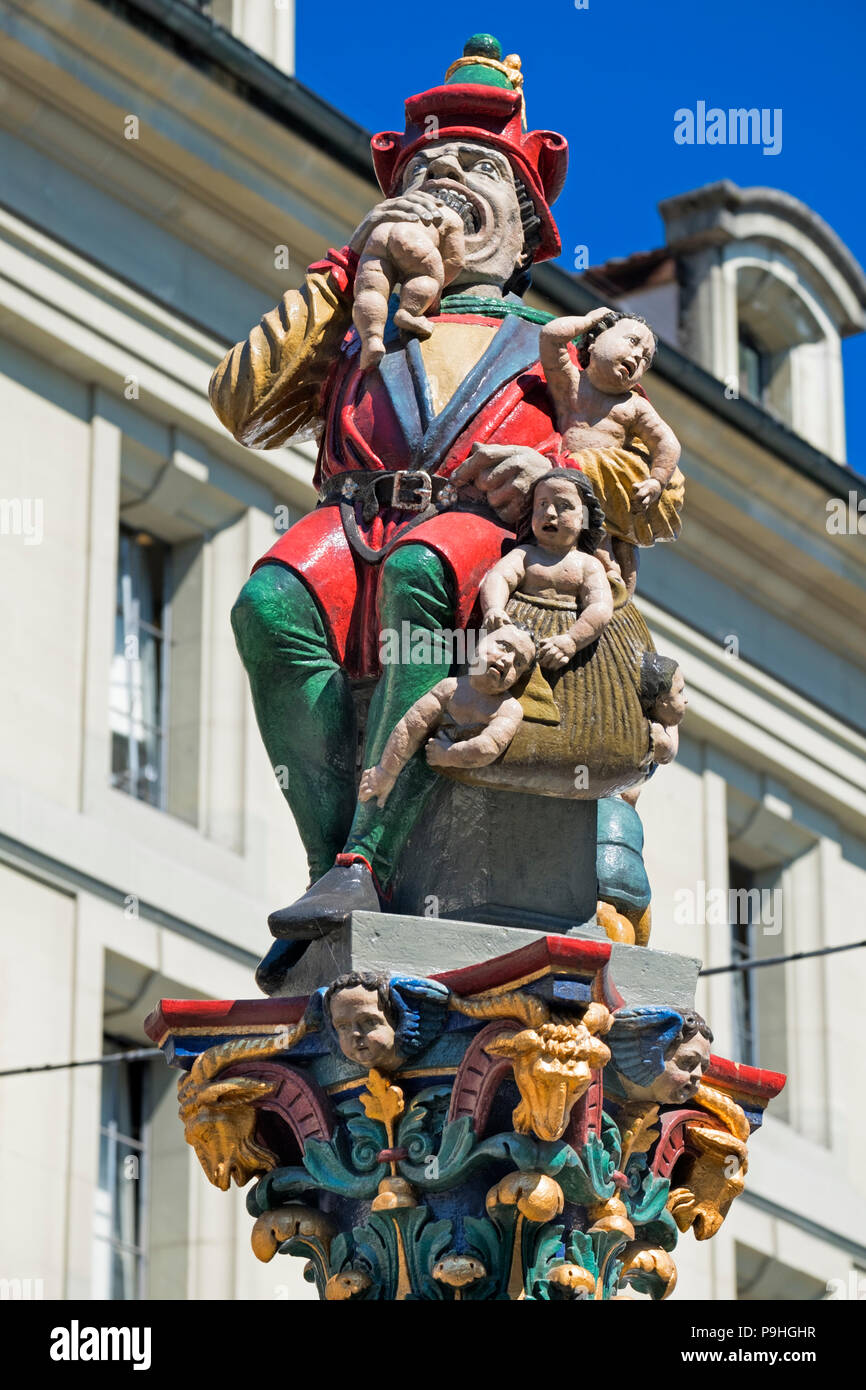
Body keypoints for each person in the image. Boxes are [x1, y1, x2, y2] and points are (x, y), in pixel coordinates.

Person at [210, 36, 578, 989]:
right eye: (425, 168)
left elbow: (632, 472)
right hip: (356, 516)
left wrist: (554, 483)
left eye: (477, 167)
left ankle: (365, 856)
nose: (445, 181)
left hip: (473, 532)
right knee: (269, 606)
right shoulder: (353, 324)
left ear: (527, 222)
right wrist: (346, 269)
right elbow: (239, 400)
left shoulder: (556, 342)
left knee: (420, 572)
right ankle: (328, 855)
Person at [539, 308, 685, 594]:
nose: (637, 358)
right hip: (571, 480)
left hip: (606, 484)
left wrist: (657, 480)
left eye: (645, 359)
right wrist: (588, 321)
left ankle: (613, 574)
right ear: (593, 342)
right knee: (585, 529)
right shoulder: (570, 384)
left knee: (609, 535)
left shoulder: (633, 406)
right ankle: (603, 567)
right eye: (632, 342)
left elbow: (666, 443)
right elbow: (550, 336)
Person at [358, 623, 535, 816]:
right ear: (479, 642)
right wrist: (386, 772)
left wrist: (449, 755)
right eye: (504, 646)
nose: (509, 660)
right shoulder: (449, 689)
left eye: (519, 663)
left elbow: (488, 747)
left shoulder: (508, 709)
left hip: (473, 806)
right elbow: (411, 726)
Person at [479, 469, 613, 669]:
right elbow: (499, 578)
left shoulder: (588, 564)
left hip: (564, 646)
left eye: (564, 506)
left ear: (583, 517)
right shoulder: (525, 554)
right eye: (542, 504)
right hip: (515, 640)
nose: (549, 513)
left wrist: (573, 640)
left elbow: (600, 607)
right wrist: (494, 608)